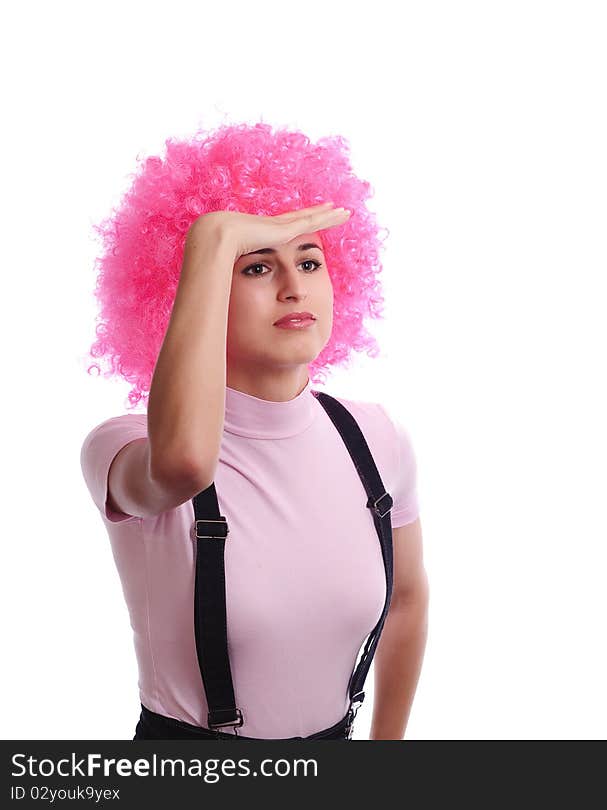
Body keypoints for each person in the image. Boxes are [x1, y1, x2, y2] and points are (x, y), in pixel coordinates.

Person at [79, 121, 429, 740]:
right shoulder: (124, 445)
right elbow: (186, 466)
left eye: (310, 259)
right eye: (255, 267)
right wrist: (212, 238)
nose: (295, 286)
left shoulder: (373, 438)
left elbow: (405, 601)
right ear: (192, 291)